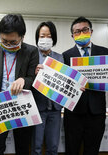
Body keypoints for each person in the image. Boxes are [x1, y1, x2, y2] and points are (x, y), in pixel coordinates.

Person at [62, 16, 108, 155]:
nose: (81, 33)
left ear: (91, 31)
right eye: (77, 31)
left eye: (85, 30)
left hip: (96, 112)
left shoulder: (105, 52)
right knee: (71, 150)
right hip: (74, 113)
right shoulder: (66, 56)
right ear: (72, 35)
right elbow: (62, 83)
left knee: (92, 150)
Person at [0, 14, 39, 155]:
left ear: (22, 37)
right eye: (4, 41)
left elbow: (33, 77)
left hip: (22, 105)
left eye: (13, 42)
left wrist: (24, 80)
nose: (8, 45)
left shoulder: (31, 51)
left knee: (23, 147)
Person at [31, 21, 63, 155]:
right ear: (37, 38)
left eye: (49, 36)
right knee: (36, 147)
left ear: (53, 38)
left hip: (55, 109)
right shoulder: (31, 56)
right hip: (38, 107)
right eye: (42, 36)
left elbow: (65, 81)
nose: (45, 39)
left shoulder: (60, 57)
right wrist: (34, 74)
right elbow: (26, 79)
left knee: (53, 147)